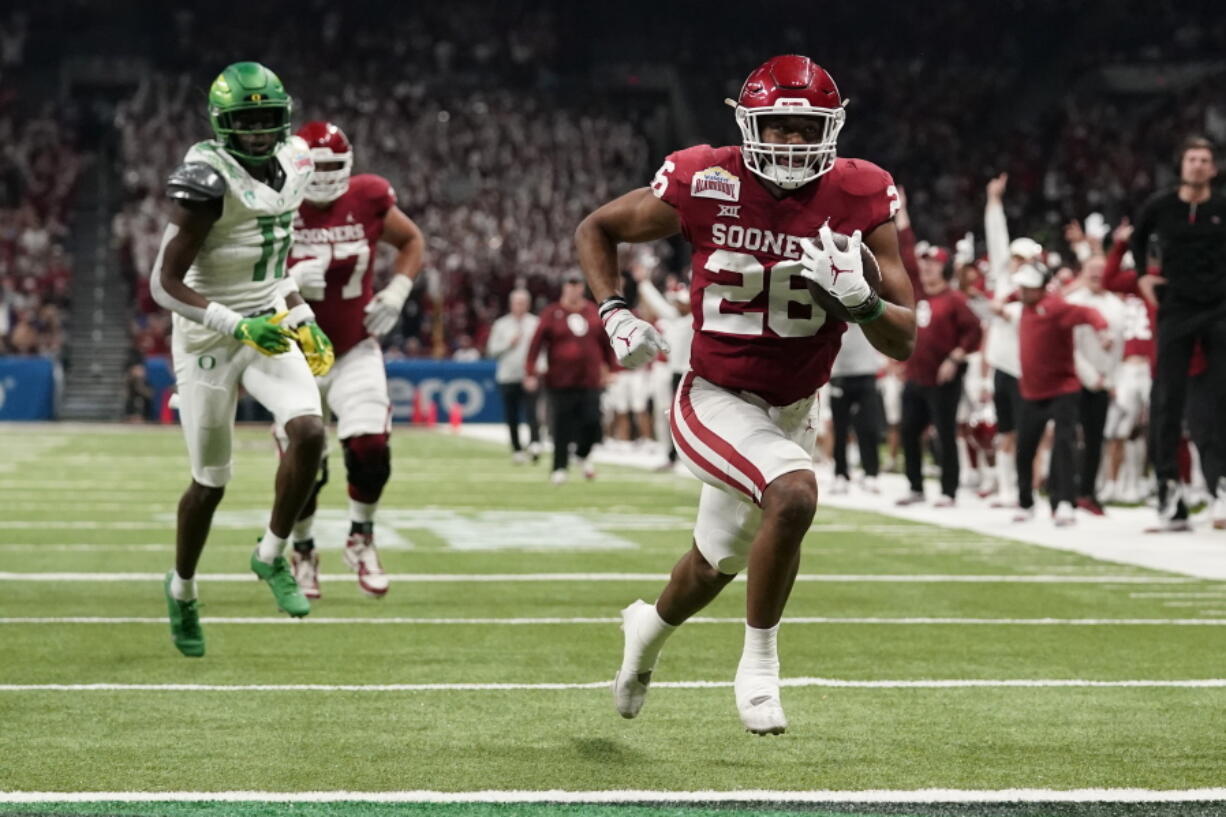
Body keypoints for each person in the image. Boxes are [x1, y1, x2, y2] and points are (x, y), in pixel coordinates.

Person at [576, 55, 916, 735]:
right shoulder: (705, 176)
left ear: (830, 128)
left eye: (803, 127)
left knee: (714, 564)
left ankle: (646, 629)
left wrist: (864, 301)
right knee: (793, 493)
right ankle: (759, 663)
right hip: (714, 394)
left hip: (794, 405)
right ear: (749, 123)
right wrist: (614, 312)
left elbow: (904, 337)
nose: (790, 141)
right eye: (778, 126)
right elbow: (598, 228)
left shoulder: (863, 192)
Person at [150, 62, 332, 656]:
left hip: (266, 322)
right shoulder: (207, 178)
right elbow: (163, 284)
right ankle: (182, 590)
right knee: (210, 484)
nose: (256, 133)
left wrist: (301, 317)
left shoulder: (299, 161)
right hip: (208, 335)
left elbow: (273, 263)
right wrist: (237, 324)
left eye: (264, 121)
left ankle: (271, 554)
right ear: (222, 125)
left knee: (308, 432)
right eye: (244, 122)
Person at [278, 120, 425, 600]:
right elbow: (244, 276)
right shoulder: (273, 201)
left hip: (353, 346)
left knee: (370, 448)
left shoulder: (368, 197)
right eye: (313, 166)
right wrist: (291, 281)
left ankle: (361, 537)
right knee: (304, 463)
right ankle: (302, 549)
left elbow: (411, 241)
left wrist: (399, 289)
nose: (321, 177)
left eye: (331, 166)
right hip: (292, 351)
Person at [1131, 136, 1226, 530]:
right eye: (1192, 159)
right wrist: (1142, 277)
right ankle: (1170, 494)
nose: (1198, 165)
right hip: (1176, 308)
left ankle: (1219, 488)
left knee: (1220, 400)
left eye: (1205, 160)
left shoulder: (1223, 206)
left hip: (1221, 308)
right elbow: (1135, 240)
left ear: (1214, 169)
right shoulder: (1160, 205)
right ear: (1182, 165)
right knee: (1167, 401)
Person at [1011, 265, 1110, 525]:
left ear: (1041, 288)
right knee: (1024, 450)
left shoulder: (1056, 308)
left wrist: (1103, 330)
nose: (1022, 291)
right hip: (1032, 392)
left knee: (1064, 446)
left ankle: (1065, 502)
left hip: (1062, 389)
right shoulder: (1025, 305)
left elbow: (1089, 312)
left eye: (1027, 287)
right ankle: (1025, 501)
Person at [896, 245, 983, 506]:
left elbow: (975, 331)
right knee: (909, 431)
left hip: (943, 380)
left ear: (944, 269)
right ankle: (915, 486)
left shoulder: (954, 299)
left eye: (933, 264)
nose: (926, 268)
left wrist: (955, 357)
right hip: (915, 375)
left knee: (944, 433)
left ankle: (949, 490)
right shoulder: (919, 296)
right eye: (925, 263)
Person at [983, 174, 1042, 507]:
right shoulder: (1006, 282)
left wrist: (1009, 313)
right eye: (1015, 257)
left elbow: (1042, 315)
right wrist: (994, 202)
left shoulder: (1038, 290)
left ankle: (1027, 488)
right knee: (1005, 432)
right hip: (1002, 365)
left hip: (1026, 369)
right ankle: (1007, 489)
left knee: (1027, 433)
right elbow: (995, 238)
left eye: (1022, 258)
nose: (1016, 263)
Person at [524, 271, 614, 483]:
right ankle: (559, 467)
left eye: (577, 285)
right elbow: (536, 344)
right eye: (570, 285)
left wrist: (610, 368)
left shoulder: (593, 311)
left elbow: (605, 342)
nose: (574, 289)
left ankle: (581, 454)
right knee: (561, 425)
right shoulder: (552, 312)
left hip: (589, 379)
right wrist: (530, 371)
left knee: (593, 422)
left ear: (582, 287)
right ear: (564, 287)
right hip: (559, 380)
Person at [1064, 255, 1124, 515]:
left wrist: (1110, 378)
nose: (1098, 274)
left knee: (1095, 439)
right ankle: (1066, 490)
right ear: (1083, 272)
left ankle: (1088, 491)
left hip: (1103, 380)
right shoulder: (1074, 302)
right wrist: (1089, 375)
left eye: (1102, 269)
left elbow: (1119, 346)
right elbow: (1069, 346)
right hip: (1075, 378)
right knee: (1068, 437)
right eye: (1092, 269)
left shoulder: (1115, 305)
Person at [487, 288, 542, 464]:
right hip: (508, 376)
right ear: (511, 304)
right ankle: (517, 448)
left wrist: (536, 372)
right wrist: (507, 344)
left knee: (532, 412)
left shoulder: (536, 323)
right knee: (512, 415)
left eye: (523, 302)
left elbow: (542, 350)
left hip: (529, 376)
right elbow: (491, 351)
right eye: (517, 302)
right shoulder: (501, 325)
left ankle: (534, 443)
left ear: (528, 304)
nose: (520, 306)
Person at [828, 325, 883, 493]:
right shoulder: (832, 309)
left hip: (865, 373)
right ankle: (841, 473)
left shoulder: (864, 307)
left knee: (868, 427)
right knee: (840, 429)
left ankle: (871, 473)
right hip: (839, 375)